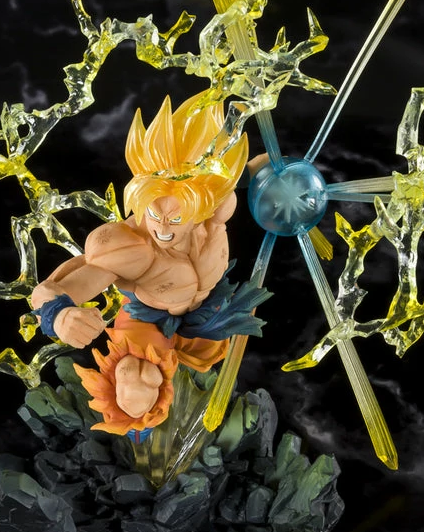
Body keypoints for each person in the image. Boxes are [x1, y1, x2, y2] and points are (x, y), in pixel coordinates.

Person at [31, 91, 267, 437]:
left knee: (208, 373)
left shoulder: (214, 199)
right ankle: (137, 445)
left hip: (207, 312)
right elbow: (48, 292)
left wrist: (276, 178)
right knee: (136, 383)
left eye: (176, 218)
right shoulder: (132, 247)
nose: (162, 228)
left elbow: (241, 174)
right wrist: (59, 315)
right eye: (154, 214)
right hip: (147, 319)